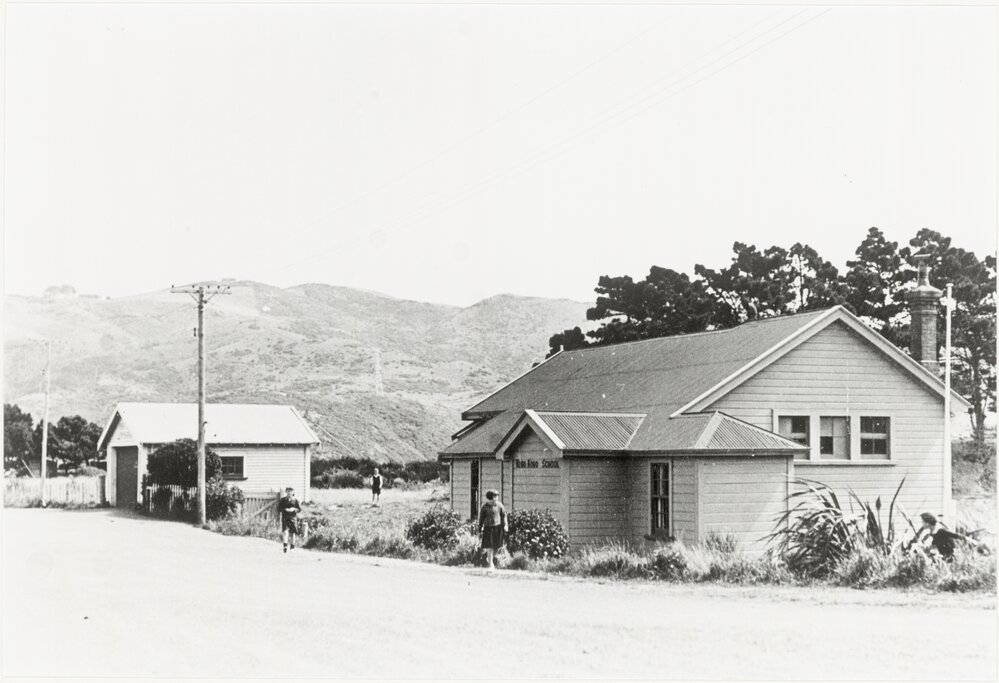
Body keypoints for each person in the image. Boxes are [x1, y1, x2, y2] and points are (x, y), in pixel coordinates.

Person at [477, 489, 508, 571]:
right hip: (488, 528)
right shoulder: (484, 507)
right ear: (490, 498)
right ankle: (490, 564)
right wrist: (479, 529)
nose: (497, 499)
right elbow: (481, 519)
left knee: (497, 546)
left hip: (497, 528)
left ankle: (489, 558)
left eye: (497, 497)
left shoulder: (499, 505)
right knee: (489, 546)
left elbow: (504, 515)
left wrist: (505, 526)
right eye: (495, 497)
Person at [279, 486, 302, 553]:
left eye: (290, 491)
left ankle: (292, 547)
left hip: (293, 518)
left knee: (292, 533)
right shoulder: (283, 500)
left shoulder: (295, 500)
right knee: (285, 532)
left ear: (293, 492)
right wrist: (285, 509)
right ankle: (285, 547)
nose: (289, 493)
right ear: (286, 492)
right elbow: (279, 508)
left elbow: (299, 509)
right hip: (285, 517)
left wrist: (293, 509)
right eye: (288, 491)